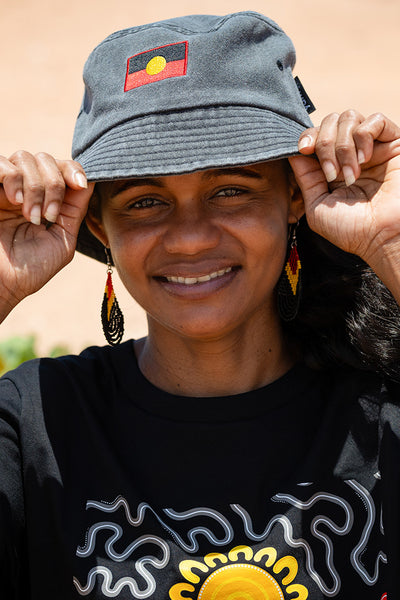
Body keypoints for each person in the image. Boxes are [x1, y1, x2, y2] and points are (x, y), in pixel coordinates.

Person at [0, 10, 399, 599]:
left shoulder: (381, 419)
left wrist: (390, 244)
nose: (189, 236)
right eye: (143, 201)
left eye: (231, 189)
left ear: (294, 198)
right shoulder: (35, 426)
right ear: (101, 227)